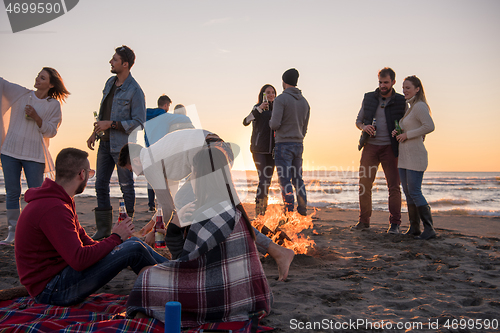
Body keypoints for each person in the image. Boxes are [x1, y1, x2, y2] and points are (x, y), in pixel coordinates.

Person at [118, 128, 294, 281]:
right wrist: (151, 226)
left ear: (136, 161)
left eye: (130, 169)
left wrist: (154, 234)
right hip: (219, 149)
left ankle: (274, 251)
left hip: (209, 154)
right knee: (223, 208)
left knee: (198, 205)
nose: (136, 174)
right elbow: (166, 203)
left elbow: (169, 207)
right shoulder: (157, 155)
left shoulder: (148, 163)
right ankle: (264, 249)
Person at [126, 146, 272, 327]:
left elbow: (184, 263)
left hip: (223, 299)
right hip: (250, 295)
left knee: (145, 276)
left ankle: (144, 317)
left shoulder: (207, 212)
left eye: (193, 173)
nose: (191, 178)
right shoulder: (232, 208)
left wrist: (174, 229)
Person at [14, 148, 167, 306]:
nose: (89, 177)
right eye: (90, 173)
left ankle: (174, 272)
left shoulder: (62, 201)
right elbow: (79, 260)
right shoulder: (54, 207)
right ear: (82, 174)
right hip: (51, 290)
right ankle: (174, 280)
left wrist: (117, 241)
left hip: (58, 278)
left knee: (133, 245)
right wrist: (115, 238)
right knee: (133, 249)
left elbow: (86, 242)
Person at [0, 68, 69, 245]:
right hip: (9, 151)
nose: (37, 79)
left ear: (51, 84)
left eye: (42, 78)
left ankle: (34, 231)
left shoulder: (53, 105)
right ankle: (12, 232)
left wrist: (37, 117)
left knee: (36, 195)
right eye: (38, 76)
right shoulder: (20, 93)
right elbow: (2, 83)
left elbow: (52, 131)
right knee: (12, 192)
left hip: (34, 154)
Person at [86, 45, 146, 240]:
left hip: (122, 147)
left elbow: (138, 122)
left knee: (126, 186)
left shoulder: (135, 90)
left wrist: (110, 125)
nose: (110, 62)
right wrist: (94, 132)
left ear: (125, 64)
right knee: (100, 185)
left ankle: (126, 231)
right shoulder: (110, 83)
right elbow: (103, 113)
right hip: (104, 144)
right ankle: (103, 230)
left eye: (114, 59)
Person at [353, 67, 406, 233]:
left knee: (394, 187)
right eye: (380, 82)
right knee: (364, 184)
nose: (383, 85)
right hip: (370, 147)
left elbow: (407, 123)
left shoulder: (401, 100)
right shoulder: (369, 98)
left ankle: (395, 224)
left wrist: (401, 131)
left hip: (391, 148)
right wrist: (364, 127)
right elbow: (358, 121)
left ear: (393, 82)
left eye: (386, 82)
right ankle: (364, 222)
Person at [392, 76, 435, 240]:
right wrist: (398, 132)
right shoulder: (410, 108)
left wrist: (407, 135)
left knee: (415, 191)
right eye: (403, 88)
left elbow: (429, 126)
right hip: (404, 157)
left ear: (417, 89)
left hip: (416, 156)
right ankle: (414, 228)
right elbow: (409, 128)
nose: (404, 91)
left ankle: (429, 229)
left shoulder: (420, 107)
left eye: (407, 87)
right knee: (408, 192)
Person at [269, 68, 310, 216]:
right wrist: (298, 136)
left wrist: (269, 121)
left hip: (283, 144)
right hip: (299, 143)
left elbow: (274, 124)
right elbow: (305, 127)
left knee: (285, 180)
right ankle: (303, 209)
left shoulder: (281, 99)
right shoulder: (305, 102)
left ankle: (289, 211)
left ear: (284, 82)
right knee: (298, 178)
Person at [144, 95, 193, 212]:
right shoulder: (166, 118)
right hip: (166, 153)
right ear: (166, 105)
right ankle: (174, 205)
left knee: (154, 180)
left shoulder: (146, 117)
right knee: (171, 181)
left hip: (150, 150)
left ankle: (153, 205)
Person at [243, 84, 277, 216]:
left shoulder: (277, 109)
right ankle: (259, 211)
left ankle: (263, 209)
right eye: (267, 92)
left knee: (267, 181)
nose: (271, 95)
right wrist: (259, 109)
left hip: (272, 151)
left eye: (273, 92)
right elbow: (245, 121)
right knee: (263, 179)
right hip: (258, 150)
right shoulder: (257, 108)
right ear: (262, 94)